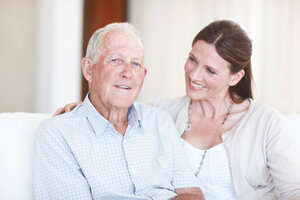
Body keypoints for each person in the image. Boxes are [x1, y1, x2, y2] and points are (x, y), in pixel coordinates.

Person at [55, 20, 300, 199]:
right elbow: (117, 105)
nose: (194, 75)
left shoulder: (267, 123)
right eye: (193, 59)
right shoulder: (163, 113)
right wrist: (82, 108)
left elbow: (293, 192)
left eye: (210, 70)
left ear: (235, 77)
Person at [34, 22, 204, 200]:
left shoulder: (159, 121)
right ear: (88, 69)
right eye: (116, 60)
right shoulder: (58, 133)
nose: (128, 73)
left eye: (136, 64)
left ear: (143, 75)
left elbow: (192, 194)